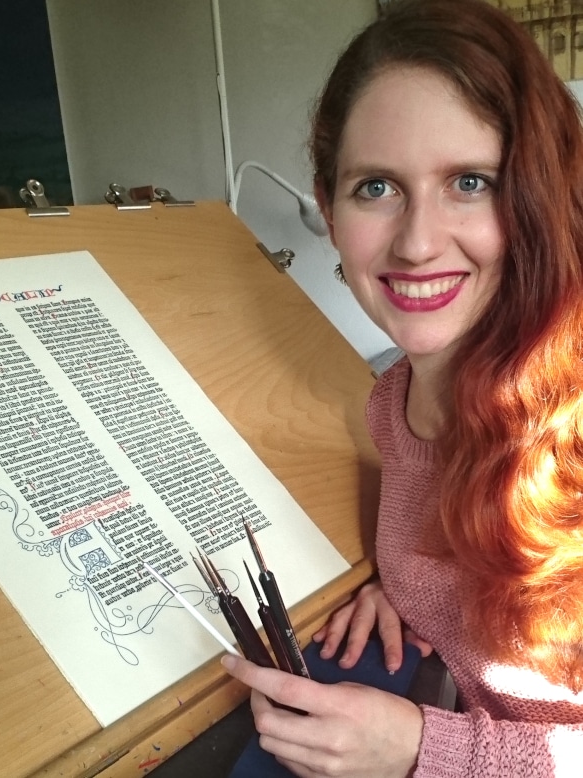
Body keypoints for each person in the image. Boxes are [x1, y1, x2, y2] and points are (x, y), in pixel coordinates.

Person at [221, 0, 583, 774]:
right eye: (377, 187)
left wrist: (421, 749)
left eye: (470, 182)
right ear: (327, 207)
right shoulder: (392, 404)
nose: (417, 244)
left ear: (538, 194)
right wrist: (408, 590)